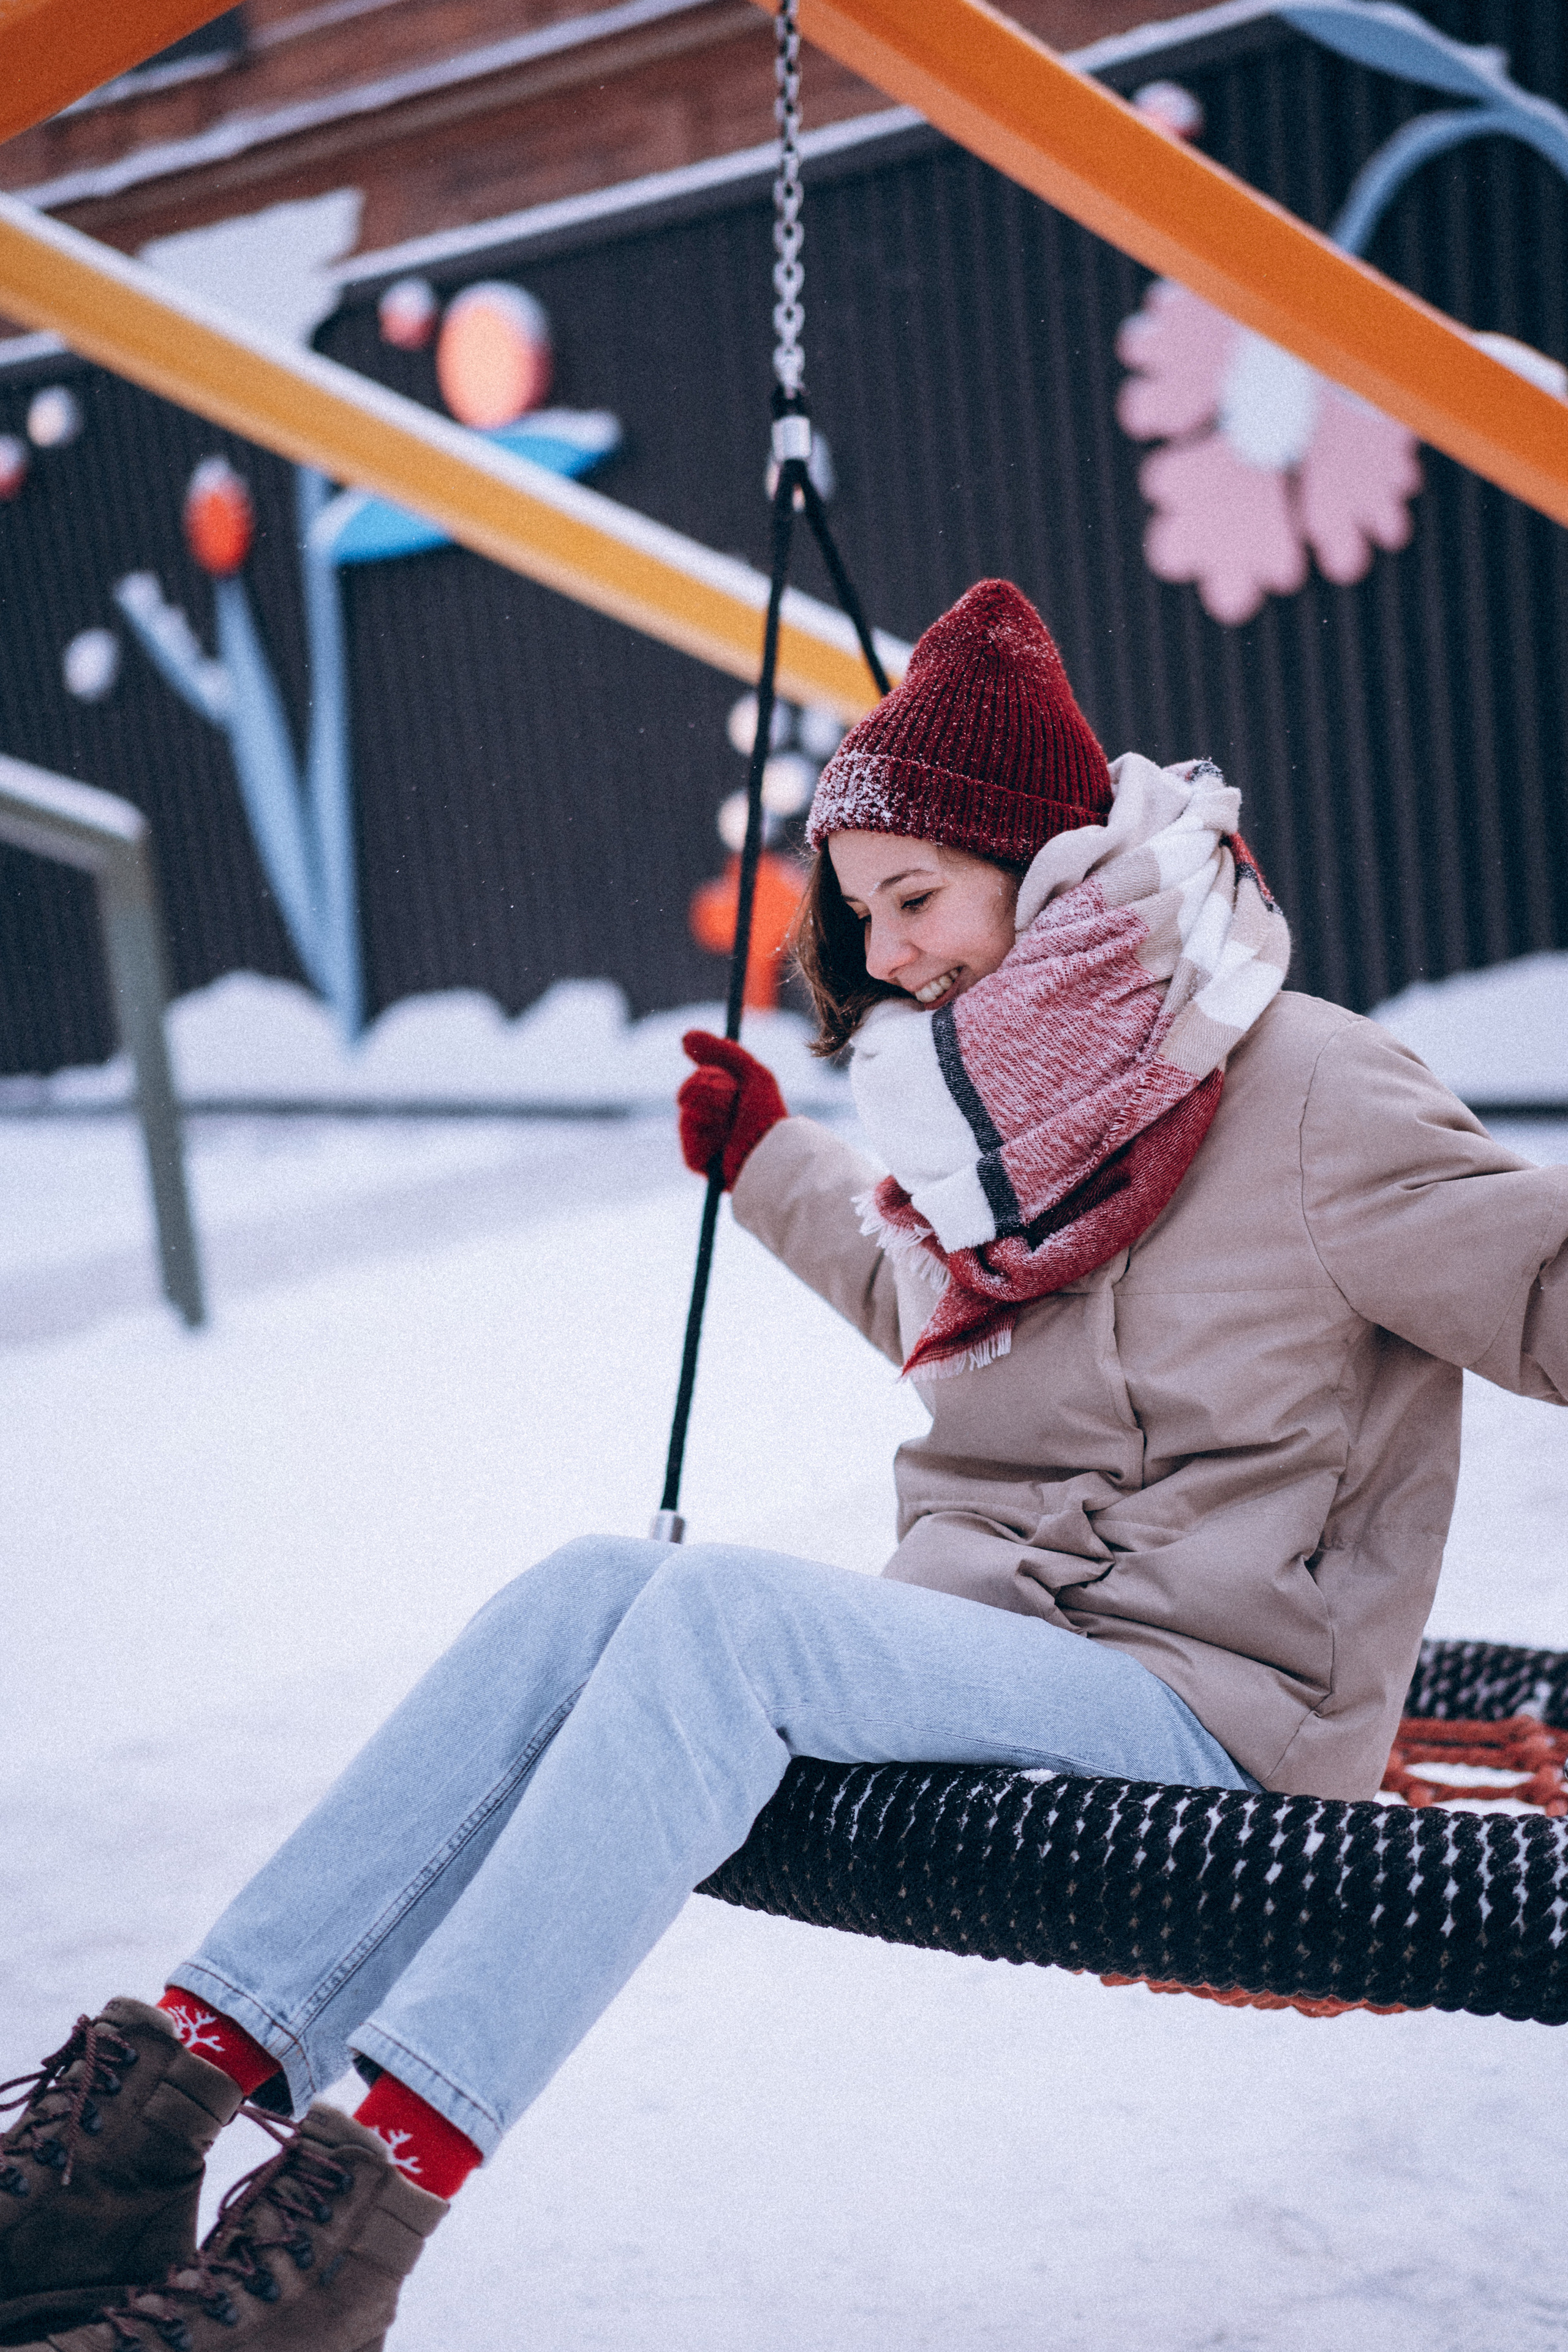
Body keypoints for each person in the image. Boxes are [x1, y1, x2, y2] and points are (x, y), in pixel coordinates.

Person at [6, 579, 1567, 2351]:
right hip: (1032, 1642)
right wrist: (769, 1166)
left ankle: (350, 2235)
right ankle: (144, 2131)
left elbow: (1537, 1281)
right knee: (603, 1583)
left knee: (722, 1627)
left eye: (916, 900)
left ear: (1042, 860)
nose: (888, 956)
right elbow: (942, 1304)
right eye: (867, 913)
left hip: (1223, 1700)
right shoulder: (1008, 1109)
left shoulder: (1315, 1093)